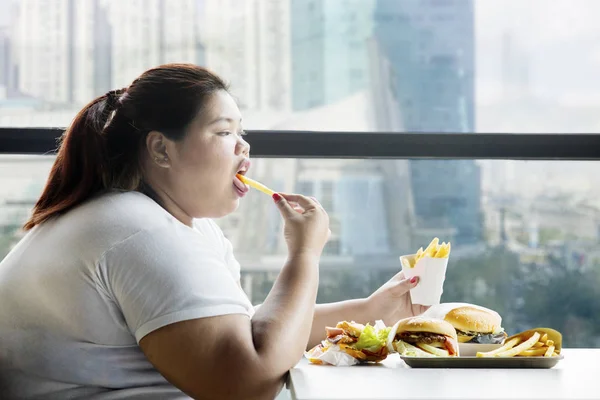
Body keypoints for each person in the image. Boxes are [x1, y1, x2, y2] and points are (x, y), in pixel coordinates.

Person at [0, 64, 427, 400]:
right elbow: (246, 385)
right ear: (161, 149)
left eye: (241, 132)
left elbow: (245, 331)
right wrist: (304, 256)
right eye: (224, 132)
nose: (243, 147)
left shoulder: (171, 224)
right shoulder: (136, 231)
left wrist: (372, 311)